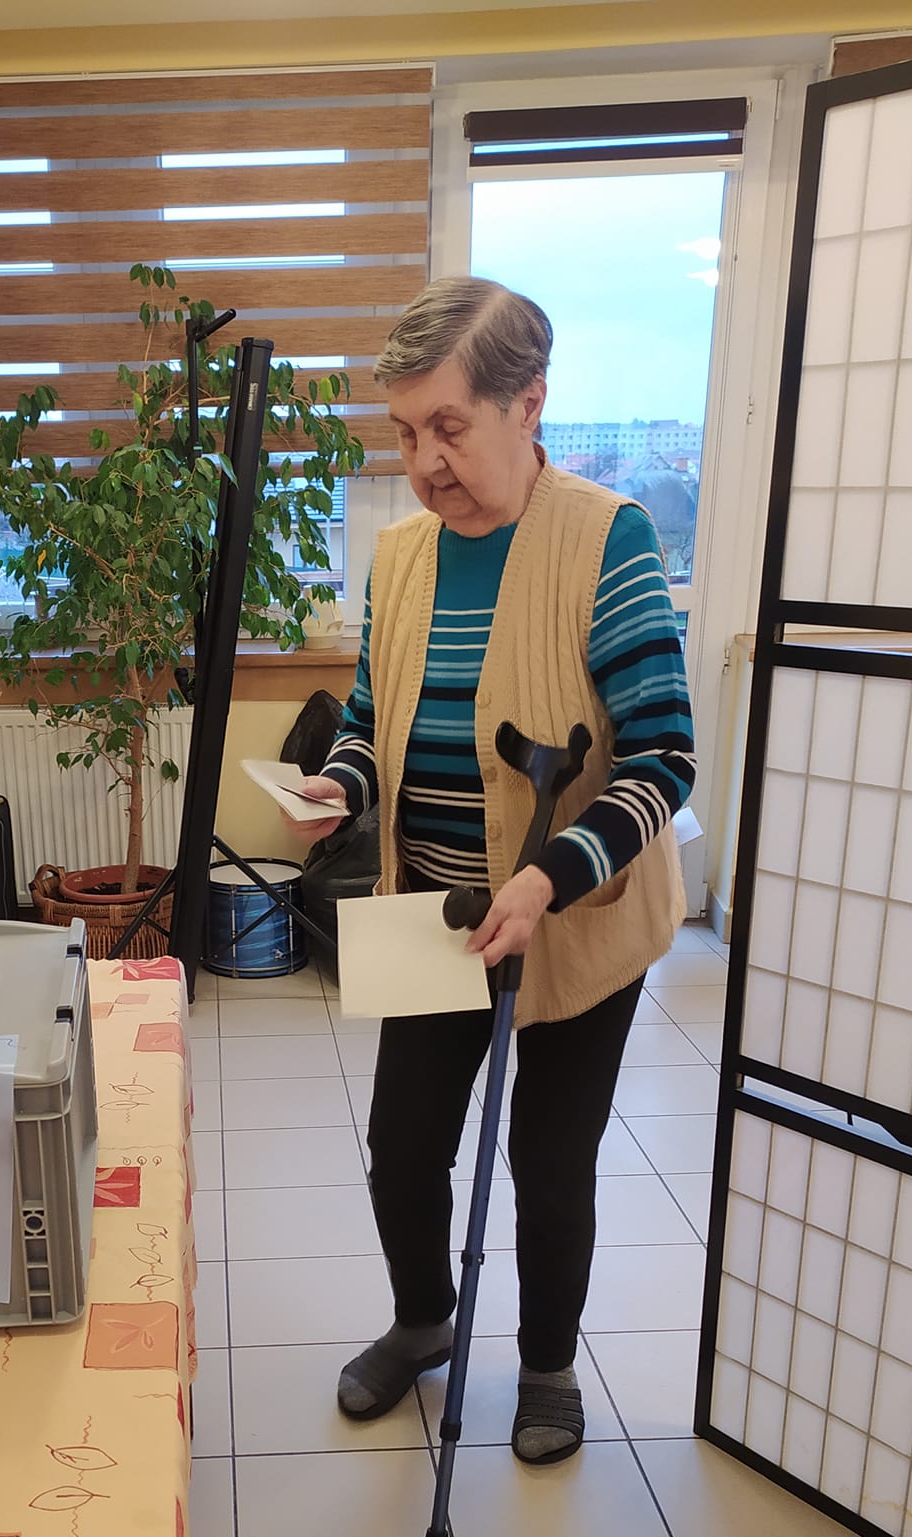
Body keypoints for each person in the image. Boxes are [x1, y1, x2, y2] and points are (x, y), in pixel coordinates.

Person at [290, 276, 694, 1464]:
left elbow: (663, 756)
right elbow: (373, 717)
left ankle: (550, 1364)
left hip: (570, 910)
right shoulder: (402, 555)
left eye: (449, 427)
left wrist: (549, 876)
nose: (424, 461)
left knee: (549, 1164)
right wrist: (342, 785)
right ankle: (425, 1318)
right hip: (433, 908)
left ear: (529, 405)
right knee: (404, 1146)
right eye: (406, 431)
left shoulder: (607, 538)